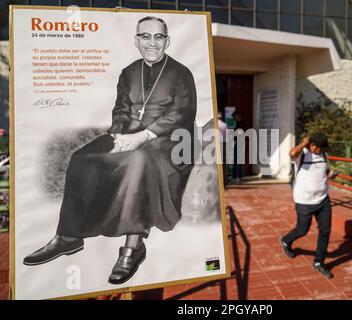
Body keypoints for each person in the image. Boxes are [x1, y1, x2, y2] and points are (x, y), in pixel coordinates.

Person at [23, 16, 197, 285]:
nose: (152, 42)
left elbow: (182, 113)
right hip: (128, 133)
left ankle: (133, 246)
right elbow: (121, 108)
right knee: (82, 159)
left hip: (167, 141)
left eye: (158, 37)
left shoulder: (181, 73)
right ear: (136, 40)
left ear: (167, 40)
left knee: (138, 161)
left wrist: (143, 136)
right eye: (145, 36)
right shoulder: (129, 71)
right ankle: (68, 236)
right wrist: (117, 133)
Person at [280, 132, 338, 279]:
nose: (323, 151)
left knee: (325, 230)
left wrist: (330, 174)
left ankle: (319, 262)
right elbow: (292, 153)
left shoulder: (324, 155)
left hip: (323, 199)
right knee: (302, 229)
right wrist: (304, 143)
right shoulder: (303, 154)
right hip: (304, 200)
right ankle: (286, 240)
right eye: (320, 148)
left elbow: (325, 170)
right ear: (312, 145)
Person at [231, 111, 245, 183]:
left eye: (234, 117)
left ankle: (236, 177)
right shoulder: (241, 122)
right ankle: (240, 176)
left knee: (237, 160)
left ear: (237, 116)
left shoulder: (241, 124)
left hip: (240, 142)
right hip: (241, 142)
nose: (234, 119)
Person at [218, 112, 228, 185]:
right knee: (224, 163)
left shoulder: (215, 124)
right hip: (224, 144)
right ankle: (224, 180)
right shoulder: (225, 124)